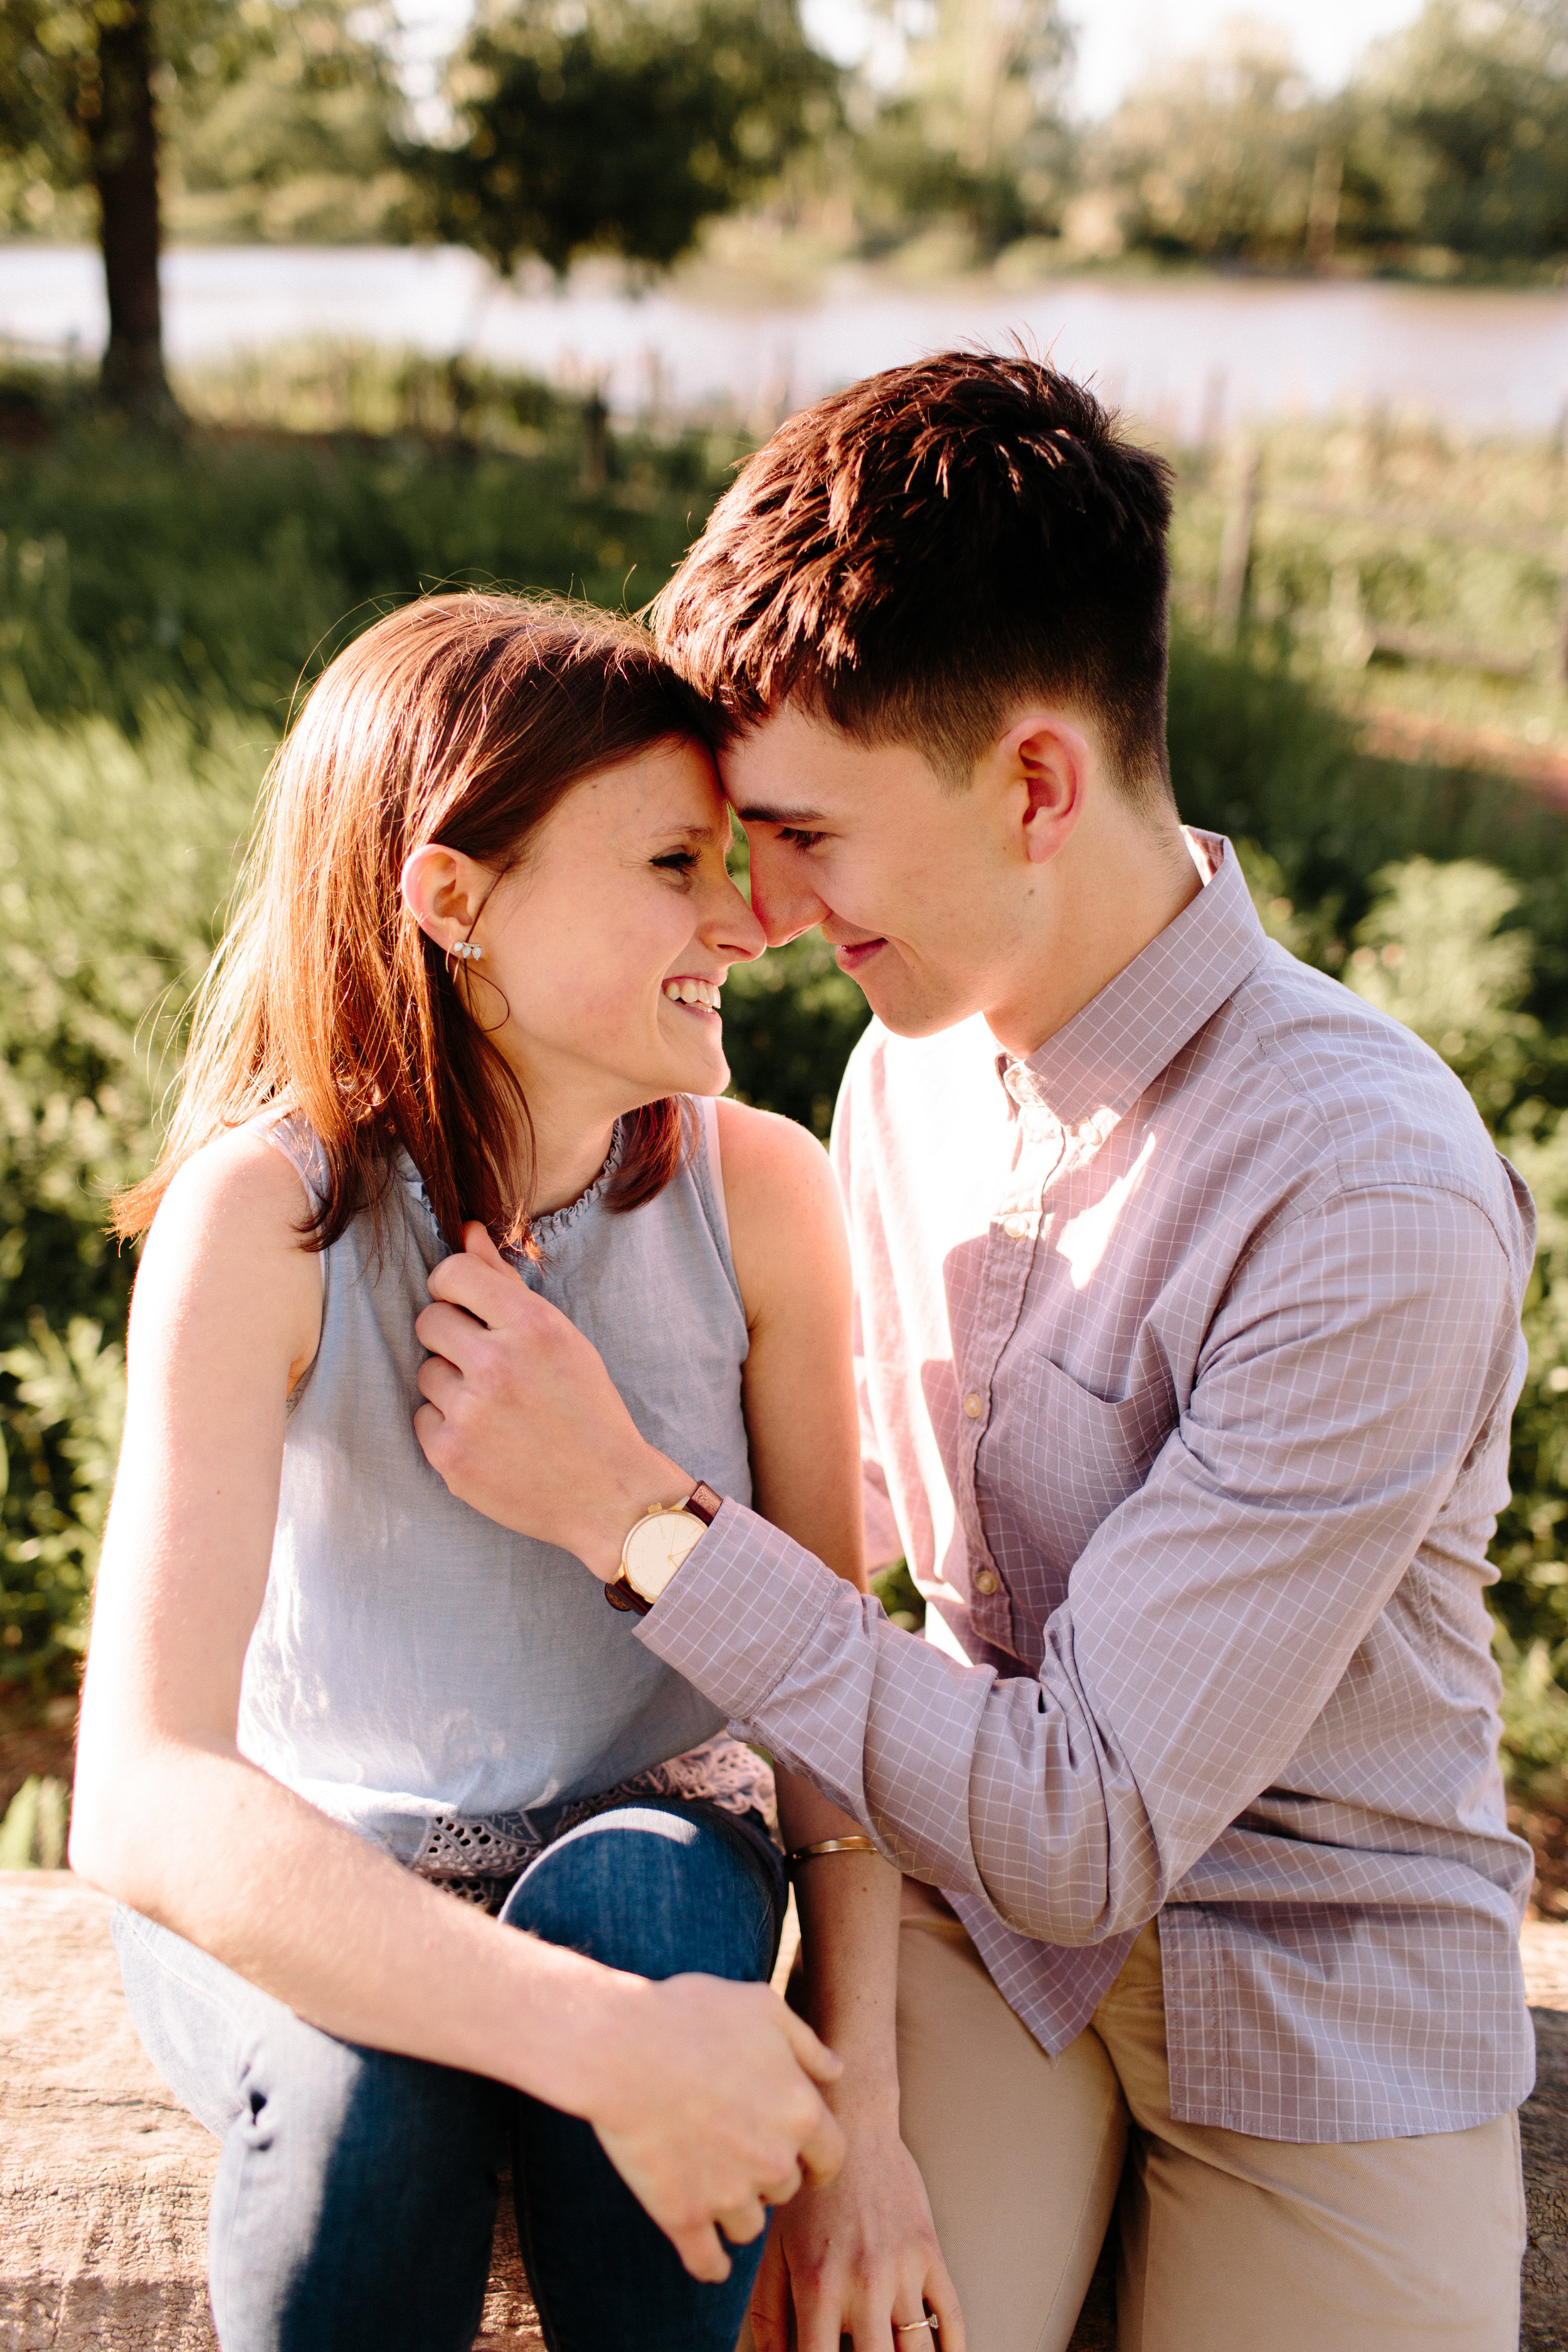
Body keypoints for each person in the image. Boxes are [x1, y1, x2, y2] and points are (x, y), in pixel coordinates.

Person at [408, 358, 1536, 2352]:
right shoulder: (897, 1074)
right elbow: (927, 1691)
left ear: (1032, 784)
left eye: (802, 834)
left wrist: (638, 1519)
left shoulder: (1365, 1193)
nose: (754, 911)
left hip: (1319, 1981)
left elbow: (1090, 1825)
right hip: (974, 1925)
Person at [68, 594, 964, 2352]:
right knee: (363, 2081)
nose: (745, 919)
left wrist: (856, 2117)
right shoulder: (266, 1219)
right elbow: (144, 1785)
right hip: (317, 1856)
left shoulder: (759, 1196)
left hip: (648, 1847)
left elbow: (825, 1733)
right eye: (671, 864)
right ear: (452, 897)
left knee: (635, 1903)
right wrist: (594, 2045)